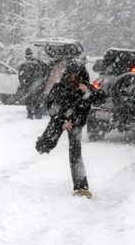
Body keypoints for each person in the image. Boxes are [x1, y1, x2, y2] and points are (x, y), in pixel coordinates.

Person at [35, 60, 105, 198]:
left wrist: (89, 91)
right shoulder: (60, 86)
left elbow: (101, 98)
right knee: (45, 145)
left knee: (75, 152)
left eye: (77, 74)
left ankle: (81, 187)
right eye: (72, 74)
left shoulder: (85, 87)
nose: (74, 77)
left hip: (76, 123)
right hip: (60, 118)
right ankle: (42, 143)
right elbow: (51, 105)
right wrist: (62, 121)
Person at [18, 48, 49, 119]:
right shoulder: (35, 63)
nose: (29, 56)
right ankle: (34, 113)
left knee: (33, 99)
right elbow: (21, 76)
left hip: (33, 85)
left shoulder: (26, 64)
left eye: (29, 54)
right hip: (34, 85)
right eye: (28, 54)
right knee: (34, 100)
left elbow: (21, 76)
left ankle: (33, 113)